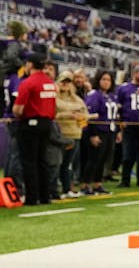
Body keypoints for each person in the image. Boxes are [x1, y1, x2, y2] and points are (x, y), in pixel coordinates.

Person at [11, 51, 55, 205]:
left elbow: (18, 109)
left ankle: (31, 197)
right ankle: (45, 196)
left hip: (30, 124)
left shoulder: (28, 83)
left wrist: (16, 114)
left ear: (30, 64)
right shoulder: (50, 83)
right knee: (42, 160)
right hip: (47, 123)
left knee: (29, 161)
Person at [82, 70, 119, 195]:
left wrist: (117, 131)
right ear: (98, 80)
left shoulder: (111, 96)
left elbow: (115, 115)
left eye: (108, 80)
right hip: (98, 130)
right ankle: (86, 184)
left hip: (110, 131)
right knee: (93, 159)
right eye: (103, 79)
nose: (106, 82)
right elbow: (90, 116)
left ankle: (98, 183)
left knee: (103, 159)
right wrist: (93, 134)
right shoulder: (94, 95)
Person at [53, 71, 88, 199]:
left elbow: (84, 112)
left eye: (68, 82)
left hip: (76, 134)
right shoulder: (54, 97)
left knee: (69, 164)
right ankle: (55, 189)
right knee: (57, 163)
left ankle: (67, 188)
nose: (65, 84)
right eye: (63, 81)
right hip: (60, 134)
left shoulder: (77, 98)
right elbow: (53, 113)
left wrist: (81, 118)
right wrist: (68, 113)